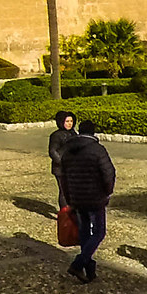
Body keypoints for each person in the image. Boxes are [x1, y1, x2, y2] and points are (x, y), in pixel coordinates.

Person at [59, 118, 116, 283]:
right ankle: (78, 264)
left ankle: (90, 270)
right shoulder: (98, 150)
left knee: (84, 231)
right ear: (93, 132)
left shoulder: (68, 151)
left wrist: (69, 198)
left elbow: (63, 178)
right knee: (99, 232)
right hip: (95, 198)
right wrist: (107, 191)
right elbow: (109, 173)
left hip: (77, 198)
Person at [47, 109, 78, 199]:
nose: (70, 124)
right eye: (67, 121)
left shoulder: (74, 134)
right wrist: (63, 162)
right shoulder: (56, 135)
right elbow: (52, 151)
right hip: (61, 168)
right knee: (64, 191)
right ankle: (64, 212)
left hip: (73, 167)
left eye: (71, 121)